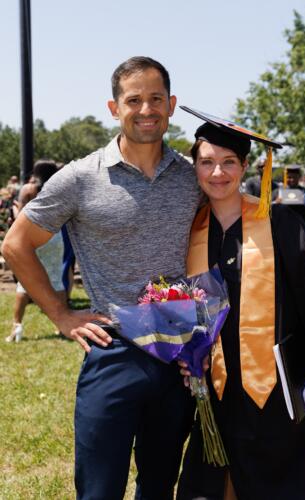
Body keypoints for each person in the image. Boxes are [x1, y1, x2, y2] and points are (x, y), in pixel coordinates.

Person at [2, 56, 200, 499]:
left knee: (160, 485)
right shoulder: (80, 177)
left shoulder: (192, 178)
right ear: (114, 108)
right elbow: (16, 244)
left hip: (178, 360)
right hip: (112, 351)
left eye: (155, 99)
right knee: (99, 490)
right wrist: (60, 313)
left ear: (171, 105)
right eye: (134, 100)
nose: (145, 110)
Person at [176, 108, 305, 500]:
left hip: (277, 386)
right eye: (207, 162)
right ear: (194, 167)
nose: (218, 173)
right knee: (211, 482)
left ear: (246, 165)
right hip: (214, 387)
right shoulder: (191, 229)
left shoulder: (281, 223)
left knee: (277, 483)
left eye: (229, 162)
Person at [5, 160, 66, 342]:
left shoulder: (28, 190)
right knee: (57, 277)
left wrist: (15, 208)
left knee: (25, 281)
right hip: (55, 237)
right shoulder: (60, 189)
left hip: (31, 237)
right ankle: (62, 325)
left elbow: (21, 217)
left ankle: (17, 326)